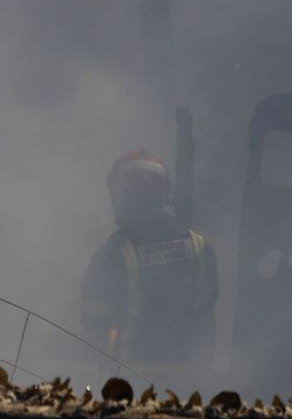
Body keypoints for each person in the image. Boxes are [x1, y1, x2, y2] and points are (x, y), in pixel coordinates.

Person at [80, 150, 218, 387]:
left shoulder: (111, 256)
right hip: (194, 381)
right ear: (164, 192)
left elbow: (94, 326)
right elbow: (207, 307)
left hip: (133, 383)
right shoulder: (199, 246)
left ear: (122, 195)